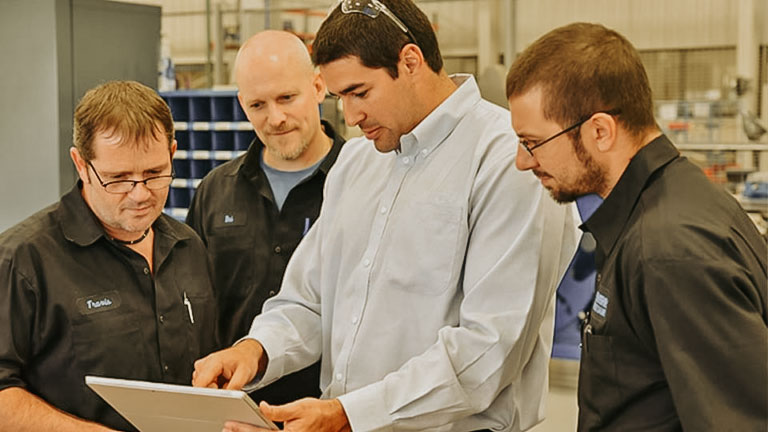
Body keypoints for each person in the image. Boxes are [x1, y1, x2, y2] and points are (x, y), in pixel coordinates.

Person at [193, 1, 579, 431]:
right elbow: (309, 300)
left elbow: (489, 349)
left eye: (360, 93)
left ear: (410, 61)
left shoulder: (506, 160)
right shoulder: (356, 163)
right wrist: (255, 350)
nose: (350, 117)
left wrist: (349, 413)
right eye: (341, 98)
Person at [506, 22, 768, 431]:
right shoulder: (669, 203)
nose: (523, 161)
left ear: (599, 131)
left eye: (532, 142)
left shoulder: (668, 250)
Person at [0, 81, 218, 431]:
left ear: (173, 153)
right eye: (118, 178)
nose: (140, 195)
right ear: (81, 165)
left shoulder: (188, 247)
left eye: (154, 174)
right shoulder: (23, 260)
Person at [186, 30, 344, 405]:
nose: (276, 118)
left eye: (287, 98)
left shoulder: (360, 186)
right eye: (258, 104)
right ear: (243, 105)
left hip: (330, 409)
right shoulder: (215, 190)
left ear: (318, 87)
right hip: (233, 404)